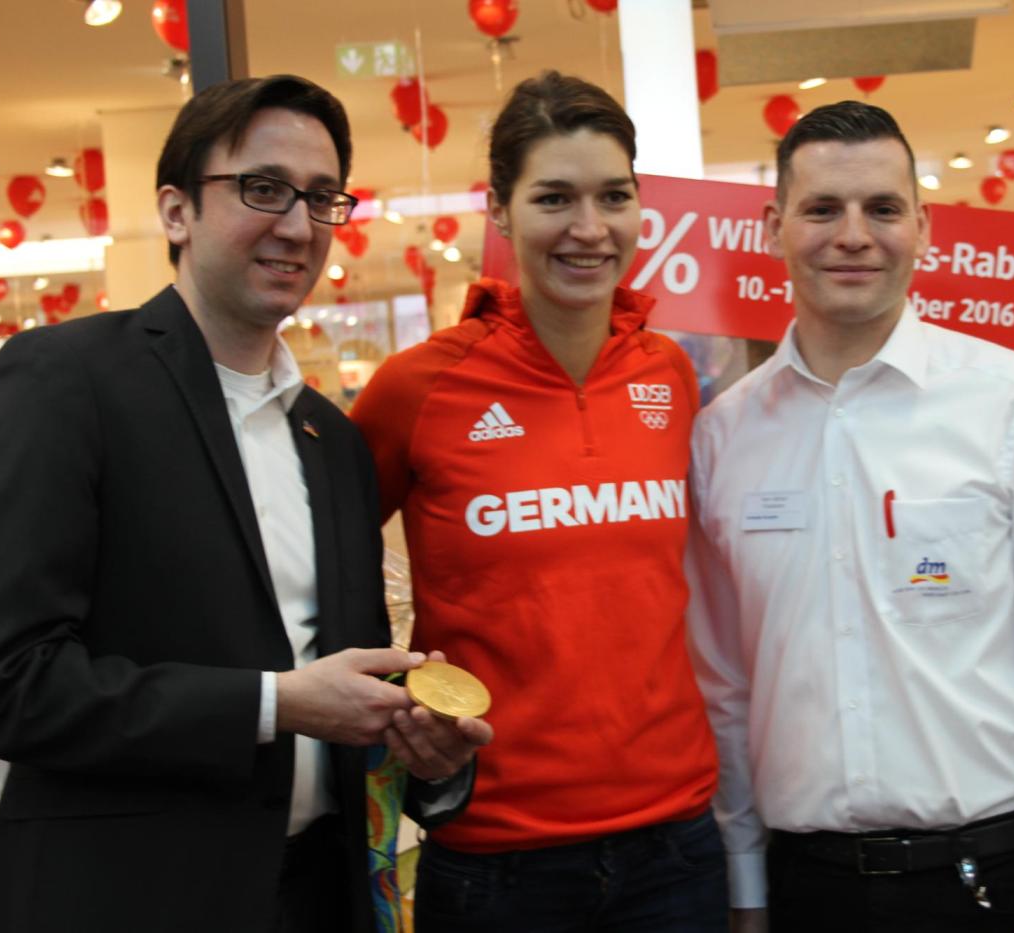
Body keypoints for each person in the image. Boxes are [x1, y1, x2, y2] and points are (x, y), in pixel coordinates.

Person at [0, 74, 490, 933]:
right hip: (125, 901)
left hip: (315, 896)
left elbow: (341, 692)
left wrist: (421, 752)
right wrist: (275, 703)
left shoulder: (332, 441)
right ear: (176, 211)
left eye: (321, 197)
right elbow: (2, 685)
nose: (297, 225)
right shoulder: (66, 382)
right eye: (263, 188)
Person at [685, 99, 1014, 933]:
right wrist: (744, 880)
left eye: (882, 209)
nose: (853, 235)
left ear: (923, 228)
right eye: (822, 209)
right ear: (774, 228)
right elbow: (724, 686)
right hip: (804, 888)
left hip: (988, 883)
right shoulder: (723, 436)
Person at [350, 71, 727, 931]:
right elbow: (319, 566)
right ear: (499, 209)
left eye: (614, 196)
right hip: (499, 859)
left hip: (675, 847)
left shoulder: (669, 372)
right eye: (554, 198)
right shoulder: (420, 387)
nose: (589, 228)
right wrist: (392, 700)